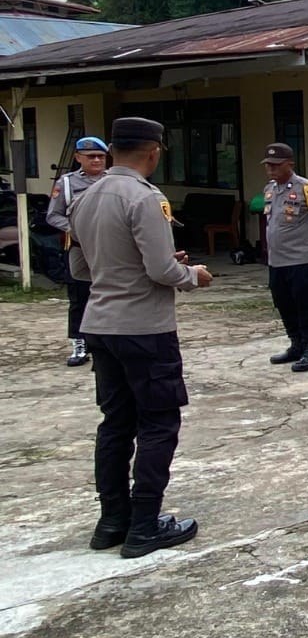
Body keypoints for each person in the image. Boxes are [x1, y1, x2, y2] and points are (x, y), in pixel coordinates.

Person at [70, 116, 213, 558]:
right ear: (153, 153)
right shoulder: (146, 197)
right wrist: (192, 274)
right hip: (144, 328)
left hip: (100, 323)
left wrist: (121, 270)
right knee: (158, 422)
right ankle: (145, 525)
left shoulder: (84, 197)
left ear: (111, 151)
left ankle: (112, 520)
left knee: (116, 423)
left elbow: (79, 268)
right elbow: (161, 270)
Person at [261, 143, 308, 372]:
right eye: (268, 165)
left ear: (289, 164)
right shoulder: (270, 189)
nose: (271, 169)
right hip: (277, 260)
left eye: (276, 165)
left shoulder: (307, 189)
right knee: (283, 303)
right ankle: (296, 343)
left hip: (302, 259)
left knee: (307, 305)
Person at [45, 135, 109, 367]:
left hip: (109, 248)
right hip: (79, 248)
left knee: (111, 294)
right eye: (90, 156)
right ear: (78, 158)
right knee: (79, 297)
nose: (96, 160)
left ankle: (107, 341)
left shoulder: (113, 181)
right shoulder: (67, 183)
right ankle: (79, 343)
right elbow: (53, 215)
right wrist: (75, 229)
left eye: (100, 156)